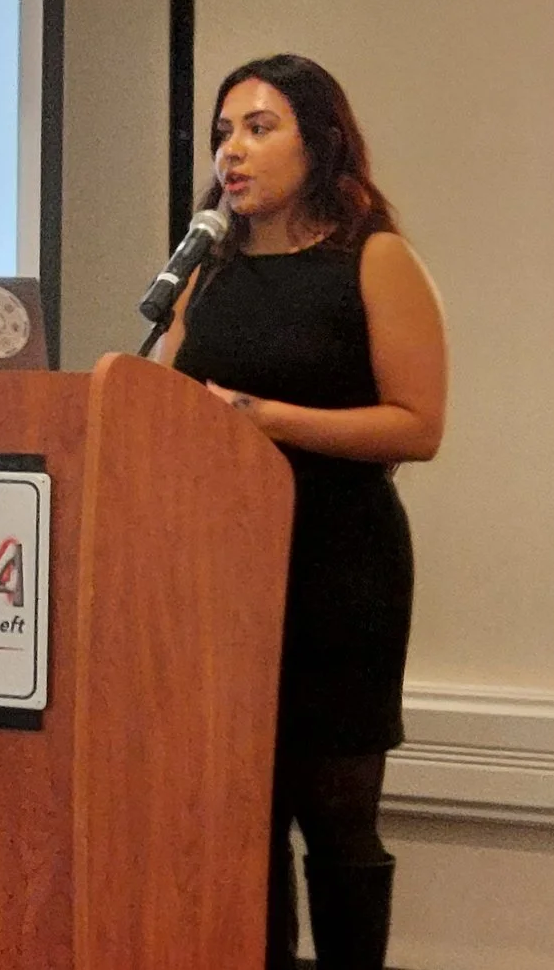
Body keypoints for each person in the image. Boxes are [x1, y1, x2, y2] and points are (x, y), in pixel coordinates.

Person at [156, 54, 447, 969]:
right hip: (222, 573)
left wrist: (261, 418)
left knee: (335, 814)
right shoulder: (206, 270)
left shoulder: (373, 259)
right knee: (243, 822)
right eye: (221, 133)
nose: (230, 152)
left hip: (338, 569)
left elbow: (418, 424)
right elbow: (164, 402)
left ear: (321, 143)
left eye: (257, 127)